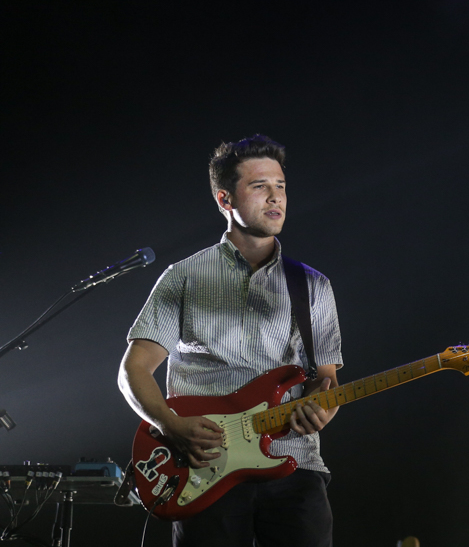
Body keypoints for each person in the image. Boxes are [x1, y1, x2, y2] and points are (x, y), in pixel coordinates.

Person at [118, 134, 343, 547]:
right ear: (225, 200)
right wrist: (170, 425)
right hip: (204, 467)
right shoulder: (182, 277)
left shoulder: (313, 285)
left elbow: (324, 379)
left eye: (281, 186)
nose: (275, 198)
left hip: (295, 465)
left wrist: (321, 407)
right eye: (260, 187)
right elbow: (134, 370)